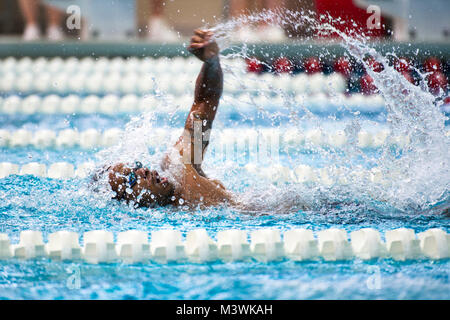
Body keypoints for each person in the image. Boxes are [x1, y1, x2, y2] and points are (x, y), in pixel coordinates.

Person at [105, 29, 236, 208]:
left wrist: (211, 61)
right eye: (133, 178)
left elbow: (204, 103)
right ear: (129, 200)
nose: (143, 170)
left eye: (137, 166)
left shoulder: (180, 166)